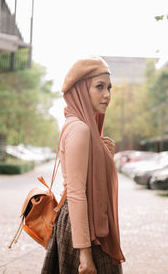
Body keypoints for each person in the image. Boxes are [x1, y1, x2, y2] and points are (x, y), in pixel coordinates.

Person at [41, 57, 125, 274]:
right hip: (85, 232)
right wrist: (85, 254)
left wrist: (106, 156)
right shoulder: (79, 129)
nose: (107, 94)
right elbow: (78, 193)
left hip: (84, 226)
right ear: (80, 89)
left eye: (109, 87)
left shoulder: (76, 125)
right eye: (99, 87)